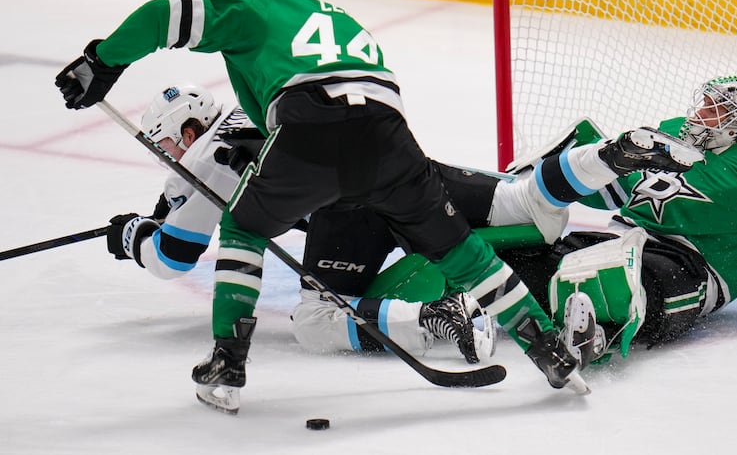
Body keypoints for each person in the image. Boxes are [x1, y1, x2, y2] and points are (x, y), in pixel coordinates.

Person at [54, 0, 702, 413]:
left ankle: (229, 359)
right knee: (493, 223)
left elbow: (174, 250)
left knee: (266, 258)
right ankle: (548, 348)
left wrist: (102, 62)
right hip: (394, 143)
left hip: (324, 162)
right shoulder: (340, 21)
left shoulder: (246, 37)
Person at [366, 76, 737, 365]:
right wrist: (548, 177)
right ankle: (449, 310)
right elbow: (612, 185)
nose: (703, 115)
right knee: (535, 256)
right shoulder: (670, 132)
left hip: (695, 266)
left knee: (647, 278)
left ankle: (594, 329)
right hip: (618, 236)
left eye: (718, 109)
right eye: (703, 103)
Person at [105, 84, 496, 364]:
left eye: (164, 147)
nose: (164, 159)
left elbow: (172, 257)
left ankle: (436, 316)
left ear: (188, 133)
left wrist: (133, 236)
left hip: (350, 214)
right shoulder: (249, 107)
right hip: (394, 167)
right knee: (501, 208)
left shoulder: (207, 158)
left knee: (317, 321)